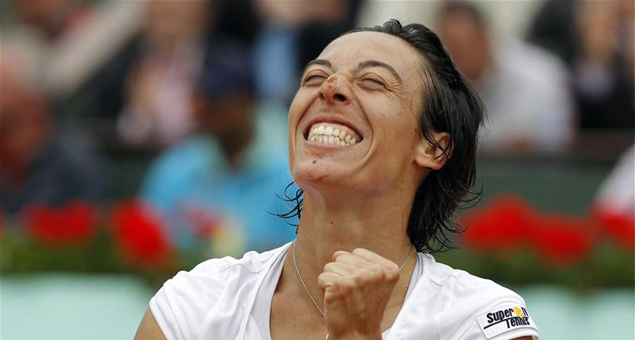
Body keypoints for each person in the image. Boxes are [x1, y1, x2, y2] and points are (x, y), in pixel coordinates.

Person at [135, 19, 538, 340]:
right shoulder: (191, 306)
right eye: (313, 78)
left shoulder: (482, 322)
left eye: (372, 81)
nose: (330, 87)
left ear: (433, 147)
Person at [139, 43, 294, 256]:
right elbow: (143, 251)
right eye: (202, 99)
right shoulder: (173, 169)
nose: (209, 109)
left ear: (250, 101)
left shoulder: (290, 176)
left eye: (220, 100)